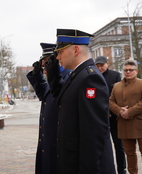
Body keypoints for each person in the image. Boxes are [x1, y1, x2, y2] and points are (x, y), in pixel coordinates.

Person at [45, 29, 116, 174]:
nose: (58, 57)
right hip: (74, 162)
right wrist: (52, 71)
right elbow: (62, 96)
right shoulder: (77, 75)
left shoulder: (90, 78)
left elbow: (94, 132)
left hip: (85, 166)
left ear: (76, 50)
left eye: (60, 52)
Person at [27, 42, 71, 174]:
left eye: (47, 62)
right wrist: (36, 76)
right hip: (48, 141)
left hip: (58, 142)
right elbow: (45, 93)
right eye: (44, 62)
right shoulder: (54, 79)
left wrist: (51, 74)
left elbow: (59, 93)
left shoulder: (67, 77)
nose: (44, 66)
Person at [109, 59, 142, 174]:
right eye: (126, 70)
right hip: (124, 123)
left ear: (136, 71)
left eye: (131, 70)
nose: (128, 72)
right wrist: (119, 111)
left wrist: (130, 112)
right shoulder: (117, 86)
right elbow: (110, 102)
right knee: (129, 152)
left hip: (140, 123)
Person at [95, 56, 126, 174]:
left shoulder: (115, 75)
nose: (99, 68)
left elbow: (118, 95)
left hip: (114, 117)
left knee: (119, 146)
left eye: (101, 65)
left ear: (107, 64)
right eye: (97, 66)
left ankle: (121, 169)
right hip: (100, 117)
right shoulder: (93, 76)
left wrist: (113, 110)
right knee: (102, 146)